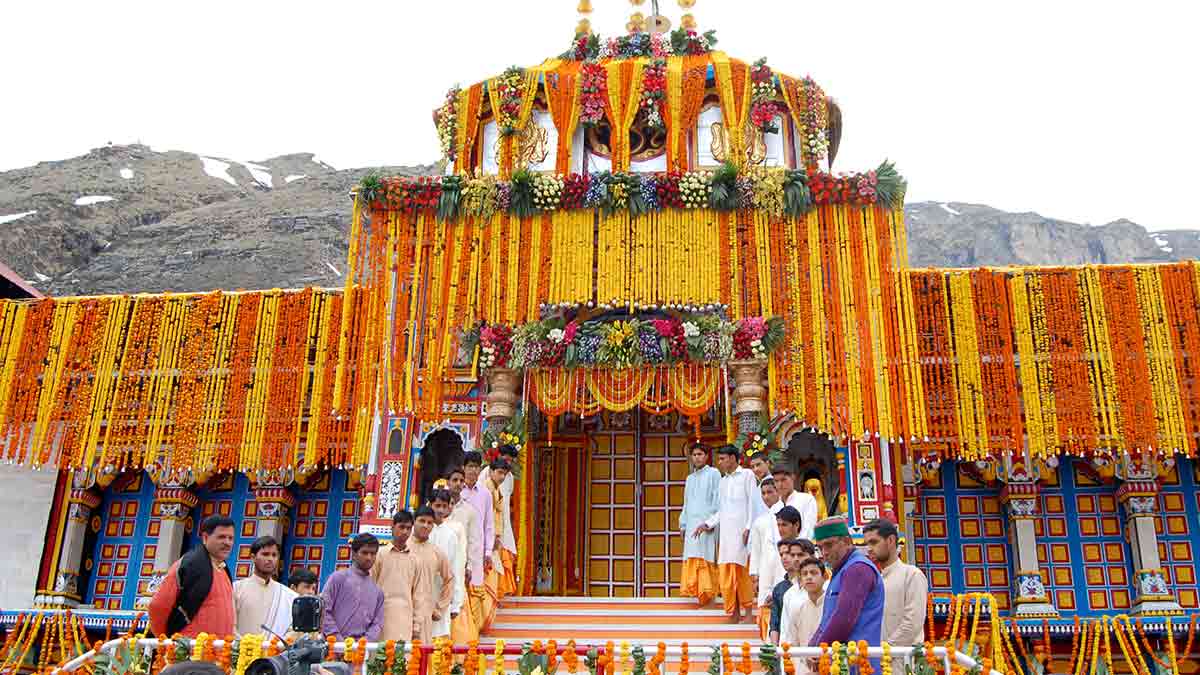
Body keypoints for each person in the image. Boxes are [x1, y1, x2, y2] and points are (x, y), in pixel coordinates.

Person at [808, 517, 884, 671]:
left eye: (829, 545)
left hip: (858, 665)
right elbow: (828, 619)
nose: (824, 553)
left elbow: (843, 619)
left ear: (847, 541)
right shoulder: (842, 570)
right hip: (842, 664)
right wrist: (813, 647)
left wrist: (818, 650)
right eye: (820, 547)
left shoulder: (857, 568)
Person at [148, 515, 236, 638]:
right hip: (189, 651)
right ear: (205, 537)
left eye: (230, 538)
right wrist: (166, 639)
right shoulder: (190, 564)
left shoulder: (223, 569)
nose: (227, 543)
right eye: (221, 537)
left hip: (218, 652)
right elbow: (157, 607)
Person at [698, 445, 757, 623]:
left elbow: (753, 503)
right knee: (728, 576)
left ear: (733, 458)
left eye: (722, 459)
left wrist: (748, 527)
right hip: (726, 535)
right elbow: (722, 510)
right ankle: (734, 612)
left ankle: (748, 613)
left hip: (743, 534)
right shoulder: (723, 481)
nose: (720, 462)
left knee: (742, 574)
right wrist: (707, 523)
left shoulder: (747, 475)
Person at [864, 518, 928, 670]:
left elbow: (912, 624)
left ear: (891, 540)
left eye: (874, 542)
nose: (869, 549)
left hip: (904, 662)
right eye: (867, 544)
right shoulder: (874, 579)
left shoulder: (912, 575)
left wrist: (884, 650)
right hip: (878, 662)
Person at [320, 533, 385, 640]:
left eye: (373, 553)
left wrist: (362, 644)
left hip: (360, 652)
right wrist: (338, 640)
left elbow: (377, 624)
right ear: (353, 554)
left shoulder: (377, 592)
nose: (369, 558)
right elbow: (323, 610)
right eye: (364, 553)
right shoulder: (338, 578)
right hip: (333, 647)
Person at [372, 510, 424, 642]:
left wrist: (416, 626)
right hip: (380, 618)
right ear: (392, 527)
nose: (405, 532)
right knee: (379, 659)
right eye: (401, 527)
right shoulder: (379, 555)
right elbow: (370, 588)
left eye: (408, 528)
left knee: (402, 660)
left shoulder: (415, 560)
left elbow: (418, 595)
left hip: (405, 620)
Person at [680, 442, 721, 606]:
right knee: (693, 556)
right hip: (691, 524)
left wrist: (710, 522)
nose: (697, 457)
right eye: (694, 455)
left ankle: (708, 596)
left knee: (706, 557)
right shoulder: (690, 478)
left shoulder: (714, 473)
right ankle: (696, 594)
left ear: (707, 456)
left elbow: (719, 499)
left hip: (707, 524)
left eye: (700, 454)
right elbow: (686, 503)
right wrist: (683, 524)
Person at [233, 536, 297, 637]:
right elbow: (230, 625)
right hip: (242, 650)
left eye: (274, 555)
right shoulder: (236, 589)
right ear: (253, 557)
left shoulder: (288, 595)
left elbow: (292, 630)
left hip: (275, 651)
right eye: (265, 554)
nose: (270, 559)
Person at [446, 467, 484, 635]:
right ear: (447, 482)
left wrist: (470, 567)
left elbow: (474, 542)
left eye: (461, 481)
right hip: (437, 566)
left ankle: (458, 647)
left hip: (459, 566)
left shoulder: (469, 511)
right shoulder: (436, 507)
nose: (458, 484)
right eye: (454, 480)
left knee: (458, 603)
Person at [460, 452, 496, 628]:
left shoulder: (485, 494)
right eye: (470, 466)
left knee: (475, 589)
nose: (473, 470)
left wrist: (488, 551)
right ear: (463, 468)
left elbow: (489, 525)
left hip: (476, 550)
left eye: (476, 467)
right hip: (458, 548)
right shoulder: (456, 490)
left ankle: (473, 634)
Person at [409, 506, 454, 643]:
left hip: (425, 613)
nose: (425, 525)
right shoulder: (402, 547)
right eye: (422, 521)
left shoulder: (436, 552)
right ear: (414, 522)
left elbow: (449, 579)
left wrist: (439, 607)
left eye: (429, 523)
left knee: (420, 657)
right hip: (401, 611)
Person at [480, 446, 519, 596]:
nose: (502, 476)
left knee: (503, 553)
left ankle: (500, 591)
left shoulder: (509, 477)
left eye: (510, 461)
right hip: (489, 523)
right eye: (506, 459)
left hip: (503, 520)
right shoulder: (486, 475)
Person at [428, 487, 467, 639]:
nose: (440, 510)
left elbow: (456, 569)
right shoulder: (421, 530)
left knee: (439, 638)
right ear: (430, 505)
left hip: (442, 593)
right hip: (421, 592)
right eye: (437, 506)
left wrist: (456, 602)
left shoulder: (451, 534)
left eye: (444, 506)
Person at [750, 478, 785, 640]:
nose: (766, 497)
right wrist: (754, 575)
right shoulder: (759, 521)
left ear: (778, 492)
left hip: (784, 568)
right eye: (763, 493)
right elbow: (756, 551)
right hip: (765, 571)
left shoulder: (787, 514)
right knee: (766, 607)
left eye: (770, 492)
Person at [767, 508, 809, 642]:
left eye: (798, 555)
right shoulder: (780, 589)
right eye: (782, 555)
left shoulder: (814, 583)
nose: (786, 558)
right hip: (786, 648)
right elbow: (775, 623)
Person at [784, 557, 827, 674]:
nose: (809, 577)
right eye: (804, 574)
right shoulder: (797, 609)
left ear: (824, 577)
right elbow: (793, 645)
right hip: (803, 670)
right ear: (801, 580)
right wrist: (805, 658)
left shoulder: (833, 607)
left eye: (813, 573)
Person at [482, 458, 513, 612]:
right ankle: (488, 607)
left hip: (495, 535)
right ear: (491, 471)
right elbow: (486, 516)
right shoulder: (487, 488)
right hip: (488, 537)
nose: (502, 477)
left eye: (504, 474)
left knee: (493, 570)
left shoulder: (495, 488)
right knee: (490, 570)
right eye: (499, 472)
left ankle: (491, 604)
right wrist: (491, 537)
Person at [772, 464, 818, 541]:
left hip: (801, 549)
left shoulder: (807, 500)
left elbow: (809, 530)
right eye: (776, 481)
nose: (780, 484)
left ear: (793, 477)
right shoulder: (774, 508)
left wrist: (796, 549)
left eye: (783, 480)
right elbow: (774, 535)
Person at [748, 452, 773, 521]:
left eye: (758, 465)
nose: (755, 469)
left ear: (767, 463)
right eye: (752, 467)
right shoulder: (759, 485)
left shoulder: (774, 483)